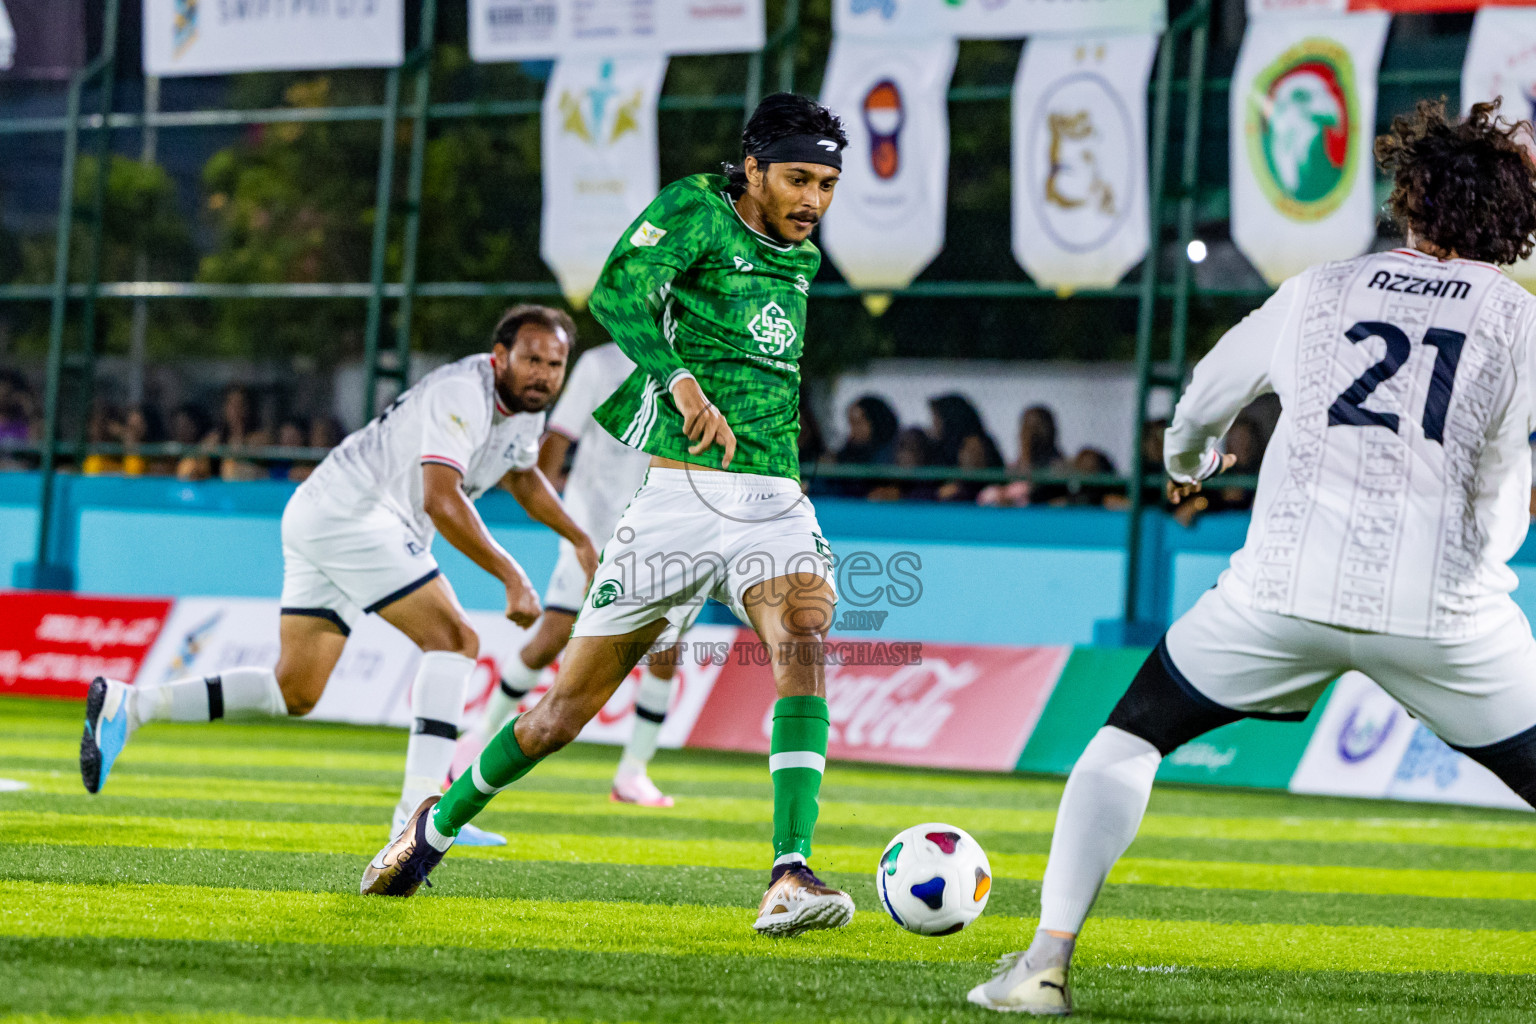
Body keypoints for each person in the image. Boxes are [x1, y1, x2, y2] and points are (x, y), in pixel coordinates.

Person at [969, 99, 1536, 1014]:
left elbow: (1202, 397)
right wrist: (1477, 570)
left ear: (1409, 197)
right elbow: (1503, 475)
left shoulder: (1319, 288)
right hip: (1445, 613)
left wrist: (1189, 463)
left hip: (1278, 591)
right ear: (1511, 219)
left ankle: (1041, 968)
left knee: (1130, 736)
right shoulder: (1519, 321)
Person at [361, 92, 855, 939]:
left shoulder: (801, 258)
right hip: (674, 499)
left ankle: (788, 871)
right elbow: (620, 294)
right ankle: (431, 829)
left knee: (805, 633)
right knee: (560, 716)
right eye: (798, 179)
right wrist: (682, 380)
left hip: (773, 494)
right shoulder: (696, 210)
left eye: (827, 184)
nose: (813, 200)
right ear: (755, 170)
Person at [79, 305, 595, 852]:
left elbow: (521, 473)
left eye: (555, 364)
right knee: (455, 640)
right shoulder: (462, 392)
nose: (543, 373)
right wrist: (511, 575)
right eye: (532, 359)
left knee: (294, 689)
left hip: (326, 515)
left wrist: (580, 537)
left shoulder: (524, 410)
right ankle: (420, 815)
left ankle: (131, 706)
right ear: (500, 358)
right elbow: (441, 499)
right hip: (355, 514)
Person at [451, 340, 695, 808]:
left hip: (664, 534)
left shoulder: (697, 355)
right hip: (594, 528)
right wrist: (551, 511)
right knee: (552, 637)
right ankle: (479, 734)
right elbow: (558, 438)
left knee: (665, 651)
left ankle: (633, 773)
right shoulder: (601, 363)